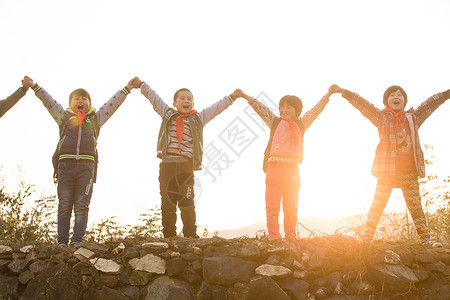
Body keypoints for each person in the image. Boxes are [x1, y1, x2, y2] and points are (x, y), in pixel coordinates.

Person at [22, 76, 138, 247]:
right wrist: (34, 86)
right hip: (65, 166)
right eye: (77, 98)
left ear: (89, 103)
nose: (80, 100)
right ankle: (62, 242)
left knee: (82, 206)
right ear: (70, 104)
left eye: (84, 98)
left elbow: (112, 105)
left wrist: (127, 88)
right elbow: (48, 101)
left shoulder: (95, 119)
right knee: (64, 205)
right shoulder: (63, 117)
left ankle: (77, 240)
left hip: (86, 167)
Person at [331, 84, 450, 247]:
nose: (396, 97)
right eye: (392, 95)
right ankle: (366, 238)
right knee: (377, 205)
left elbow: (430, 104)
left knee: (416, 207)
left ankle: (426, 240)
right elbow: (363, 104)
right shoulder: (382, 117)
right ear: (387, 101)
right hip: (387, 171)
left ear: (404, 101)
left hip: (409, 170)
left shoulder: (413, 117)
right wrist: (344, 92)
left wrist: (446, 94)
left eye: (400, 95)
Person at [133, 77, 240, 238]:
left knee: (187, 200)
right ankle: (169, 235)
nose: (186, 101)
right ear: (175, 103)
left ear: (193, 103)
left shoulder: (197, 119)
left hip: (185, 166)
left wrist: (231, 97)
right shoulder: (167, 114)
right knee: (167, 202)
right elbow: (154, 98)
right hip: (168, 165)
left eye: (189, 98)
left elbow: (216, 108)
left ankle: (190, 235)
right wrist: (142, 85)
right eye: (182, 98)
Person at [237, 87, 335, 239]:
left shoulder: (301, 124)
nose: (284, 110)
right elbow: (261, 109)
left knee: (291, 206)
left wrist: (327, 95)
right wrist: (245, 96)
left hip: (292, 170)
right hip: (274, 168)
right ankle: (274, 235)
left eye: (289, 107)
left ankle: (290, 235)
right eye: (282, 107)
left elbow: (316, 110)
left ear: (297, 110)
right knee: (272, 206)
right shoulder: (275, 122)